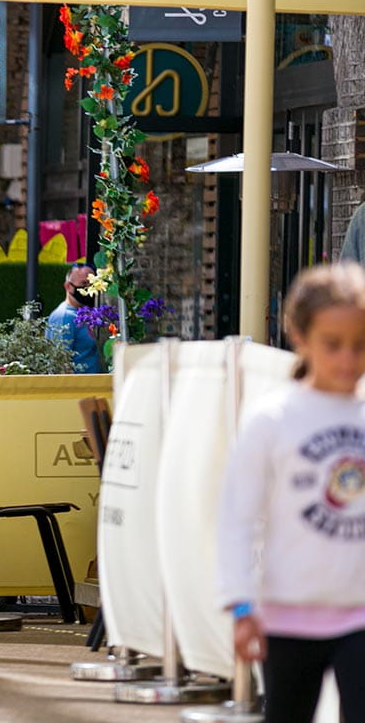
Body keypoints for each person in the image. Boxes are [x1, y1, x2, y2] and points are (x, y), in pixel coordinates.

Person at [217, 263, 365, 723]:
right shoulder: (272, 419)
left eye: (360, 345)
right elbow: (238, 517)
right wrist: (242, 604)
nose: (347, 359)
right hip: (287, 615)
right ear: (299, 337)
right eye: (332, 344)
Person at [45, 263, 104, 374]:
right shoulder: (63, 316)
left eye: (92, 284)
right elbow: (60, 362)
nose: (88, 288)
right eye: (84, 283)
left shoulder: (85, 314)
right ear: (68, 287)